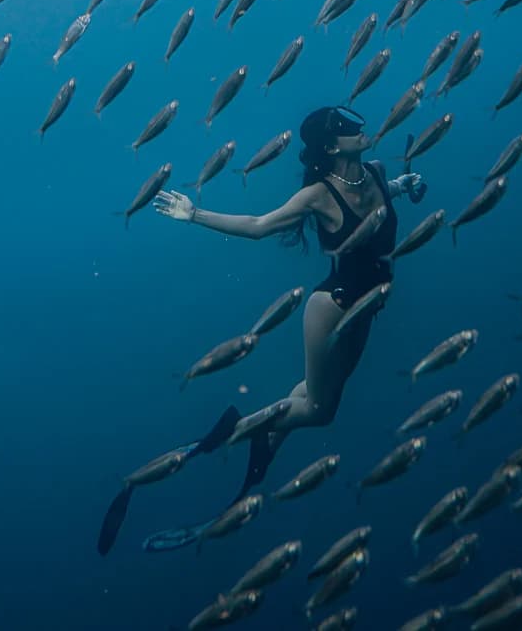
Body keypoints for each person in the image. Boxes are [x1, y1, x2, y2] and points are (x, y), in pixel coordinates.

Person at [149, 105, 426, 528]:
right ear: (331, 146)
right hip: (332, 309)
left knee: (315, 394)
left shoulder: (373, 171)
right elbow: (259, 225)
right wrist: (194, 215)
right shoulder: (317, 195)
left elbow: (382, 196)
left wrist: (405, 185)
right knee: (319, 410)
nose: (360, 128)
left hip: (368, 308)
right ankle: (241, 431)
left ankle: (269, 431)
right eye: (347, 128)